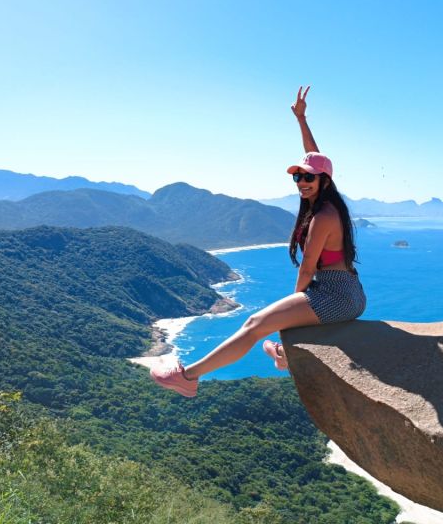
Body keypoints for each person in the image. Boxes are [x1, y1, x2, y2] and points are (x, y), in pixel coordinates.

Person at [150, 86, 366, 397]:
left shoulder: (323, 217)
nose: (302, 183)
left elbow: (307, 269)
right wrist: (302, 120)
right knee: (267, 328)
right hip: (347, 292)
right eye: (297, 177)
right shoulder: (329, 202)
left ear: (323, 181)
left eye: (308, 178)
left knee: (254, 323)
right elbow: (316, 159)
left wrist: (291, 313)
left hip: (336, 294)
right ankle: (284, 353)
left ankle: (189, 377)